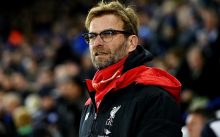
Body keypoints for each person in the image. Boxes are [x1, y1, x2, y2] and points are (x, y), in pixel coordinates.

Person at [80, 1, 182, 137]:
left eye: (108, 34)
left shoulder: (154, 98)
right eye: (92, 36)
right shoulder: (90, 105)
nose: (97, 43)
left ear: (131, 43)